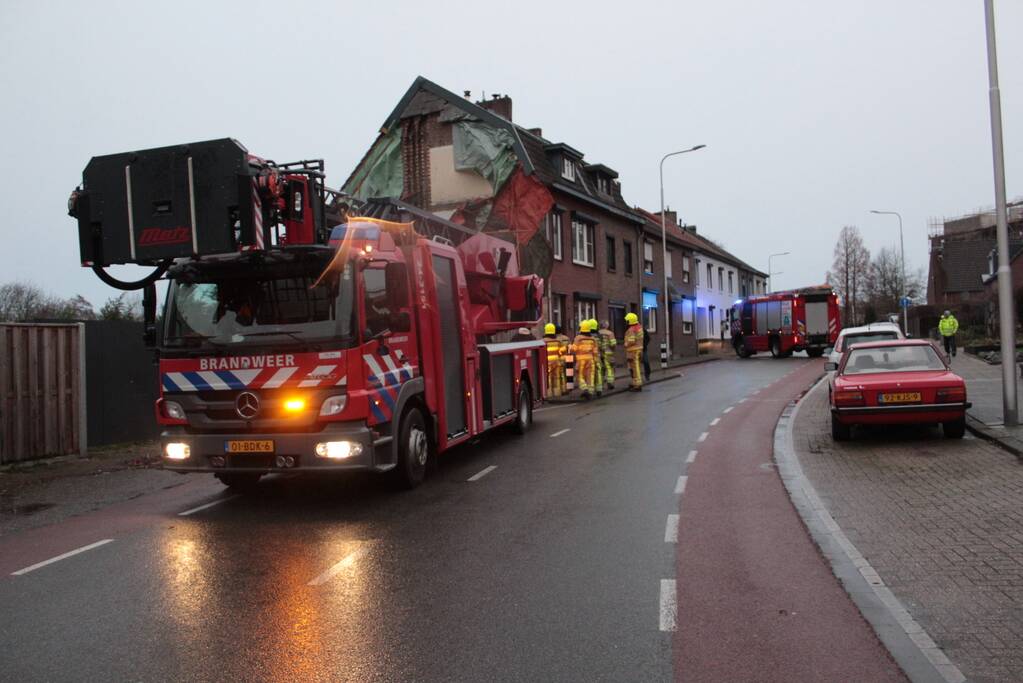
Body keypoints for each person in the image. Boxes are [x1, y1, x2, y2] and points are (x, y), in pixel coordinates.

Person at [572, 319, 598, 399]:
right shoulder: (592, 339)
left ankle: (584, 388)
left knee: (580, 375)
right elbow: (595, 351)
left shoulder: (578, 338)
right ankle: (590, 392)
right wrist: (596, 361)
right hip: (591, 360)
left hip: (581, 360)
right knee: (590, 376)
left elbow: (574, 349)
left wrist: (570, 347)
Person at [624, 312, 644, 391]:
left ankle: (638, 384)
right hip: (638, 350)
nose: (626, 322)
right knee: (635, 367)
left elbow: (631, 341)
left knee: (635, 368)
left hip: (633, 351)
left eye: (627, 320)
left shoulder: (631, 329)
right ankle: (634, 382)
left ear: (630, 321)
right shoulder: (639, 327)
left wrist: (625, 344)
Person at [543, 323, 563, 397]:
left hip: (547, 362)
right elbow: (561, 351)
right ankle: (557, 393)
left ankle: (549, 394)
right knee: (557, 378)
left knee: (549, 379)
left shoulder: (543, 341)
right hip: (556, 362)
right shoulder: (557, 341)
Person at [598, 320, 617, 390]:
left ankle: (600, 384)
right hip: (608, 353)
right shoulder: (610, 333)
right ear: (606, 326)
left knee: (600, 369)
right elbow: (613, 344)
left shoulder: (598, 333)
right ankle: (610, 383)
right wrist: (613, 350)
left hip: (600, 354)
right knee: (609, 368)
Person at [587, 319, 603, 397]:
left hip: (589, 357)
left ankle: (590, 390)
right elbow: (601, 346)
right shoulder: (599, 336)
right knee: (598, 373)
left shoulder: (587, 336)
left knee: (590, 374)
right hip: (597, 356)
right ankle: (599, 389)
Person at [556, 325, 573, 392]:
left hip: (560, 358)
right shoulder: (566, 338)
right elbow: (570, 347)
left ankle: (563, 389)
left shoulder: (555, 339)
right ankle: (569, 387)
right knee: (568, 374)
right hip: (567, 357)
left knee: (561, 374)